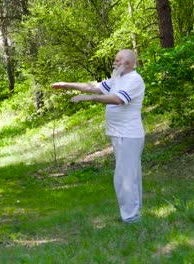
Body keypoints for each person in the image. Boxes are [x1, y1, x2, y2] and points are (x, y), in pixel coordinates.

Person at [51, 49, 145, 224]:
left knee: (124, 177)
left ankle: (131, 217)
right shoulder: (118, 78)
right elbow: (94, 87)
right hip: (119, 134)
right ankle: (134, 214)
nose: (114, 63)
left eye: (118, 60)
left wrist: (88, 99)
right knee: (130, 175)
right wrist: (67, 85)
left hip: (128, 135)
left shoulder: (134, 80)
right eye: (115, 60)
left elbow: (117, 99)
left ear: (129, 64)